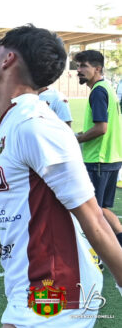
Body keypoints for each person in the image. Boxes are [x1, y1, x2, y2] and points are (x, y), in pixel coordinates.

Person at [0, 25, 122, 326]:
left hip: (56, 287)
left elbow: (93, 217)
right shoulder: (14, 120)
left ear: (7, 59)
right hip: (29, 281)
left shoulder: (35, 125)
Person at [74, 50, 122, 244]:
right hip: (111, 157)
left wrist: (77, 139)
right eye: (78, 66)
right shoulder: (106, 88)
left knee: (92, 210)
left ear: (97, 68)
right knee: (100, 208)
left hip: (99, 159)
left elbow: (101, 128)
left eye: (83, 66)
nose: (79, 70)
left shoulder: (98, 92)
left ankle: (98, 251)